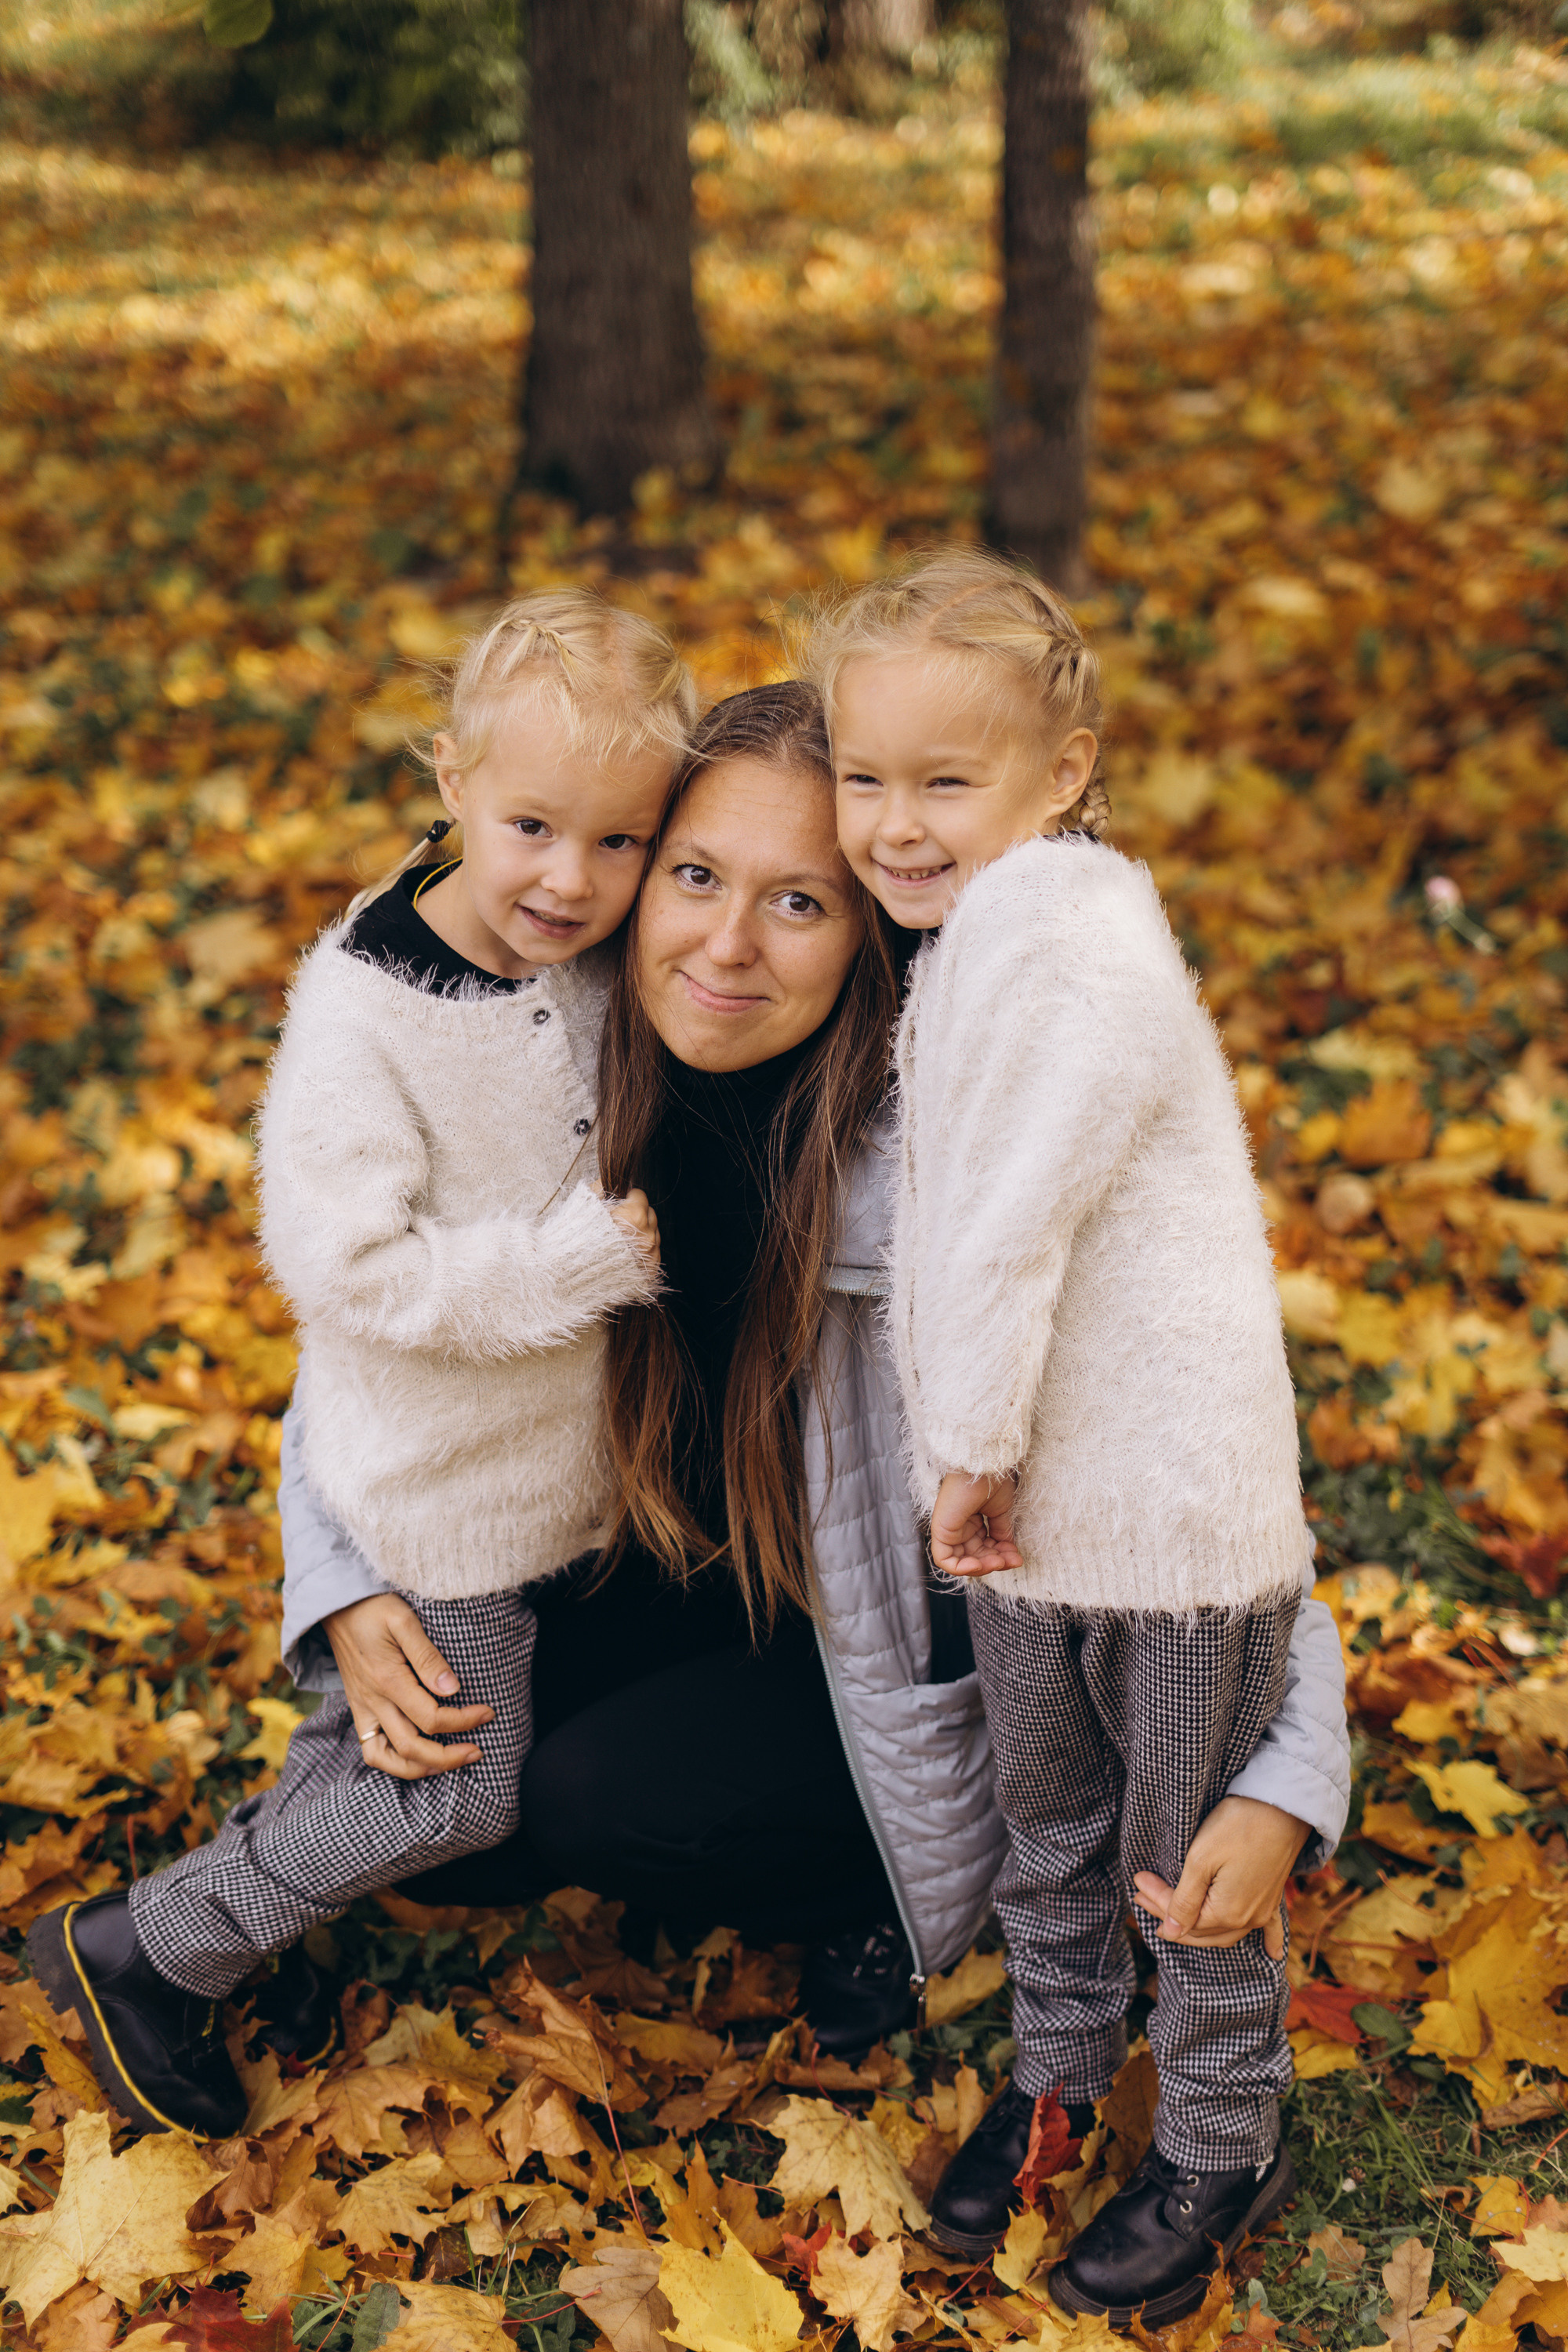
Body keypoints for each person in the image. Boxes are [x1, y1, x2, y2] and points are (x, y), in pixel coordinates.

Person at [273, 684, 1348, 2081]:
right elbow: (382, 1331)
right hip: (655, 1564)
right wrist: (343, 1580)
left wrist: (1285, 1780)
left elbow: (1207, 1478)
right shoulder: (572, 1063)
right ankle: (220, 1932)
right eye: (696, 877)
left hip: (880, 1658)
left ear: (870, 937)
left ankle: (859, 1900)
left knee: (590, 1803)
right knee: (446, 1794)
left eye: (799, 904)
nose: (725, 945)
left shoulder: (952, 1175)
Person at [28, 590, 691, 2140]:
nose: (571, 878)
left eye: (618, 842)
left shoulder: (585, 954)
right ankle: (144, 1950)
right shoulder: (363, 1016)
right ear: (450, 779)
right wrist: (586, 1262)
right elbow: (351, 1273)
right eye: (532, 824)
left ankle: (274, 1901)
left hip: (559, 1476)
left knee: (384, 1750)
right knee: (459, 1782)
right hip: (439, 1492)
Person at [808, 547, 1338, 2323]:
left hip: (1161, 1516)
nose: (892, 825)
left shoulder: (1069, 928)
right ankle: (1055, 2067)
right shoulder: (978, 939)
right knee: (1049, 1818)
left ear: (1066, 769)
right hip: (1039, 1513)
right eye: (862, 777)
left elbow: (1013, 1211)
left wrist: (965, 1439)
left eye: (943, 783)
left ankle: (1214, 2125)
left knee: (1178, 1856)